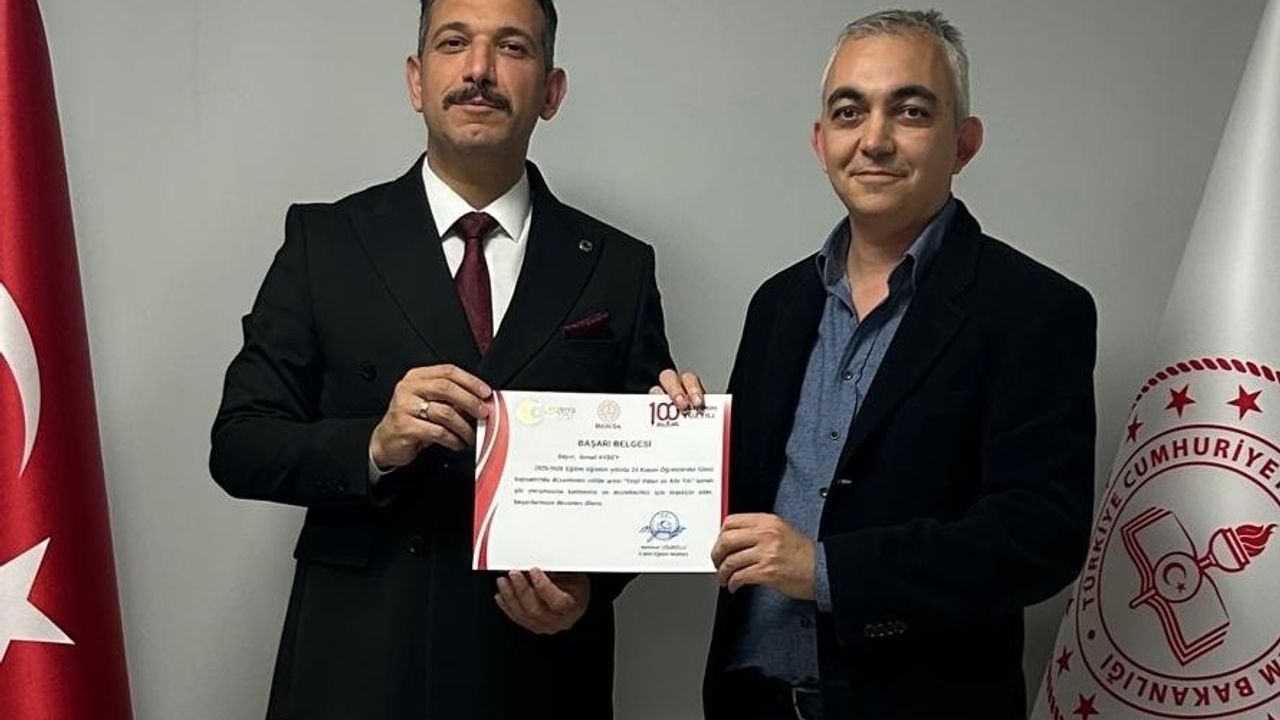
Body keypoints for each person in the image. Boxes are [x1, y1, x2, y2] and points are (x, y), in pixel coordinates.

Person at [209, 0, 674, 717]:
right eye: (454, 43)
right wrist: (374, 445)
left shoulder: (617, 265)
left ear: (551, 91)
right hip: (361, 662)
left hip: (537, 674)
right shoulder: (325, 242)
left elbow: (642, 495)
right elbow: (240, 444)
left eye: (512, 48)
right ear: (416, 80)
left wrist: (590, 587)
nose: (479, 69)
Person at [699, 10, 1097, 719]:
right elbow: (733, 496)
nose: (874, 139)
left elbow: (1040, 534)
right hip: (754, 703)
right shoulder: (778, 305)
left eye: (910, 111)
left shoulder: (1036, 310)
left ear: (963, 143)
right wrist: (675, 431)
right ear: (821, 141)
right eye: (849, 112)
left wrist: (827, 572)